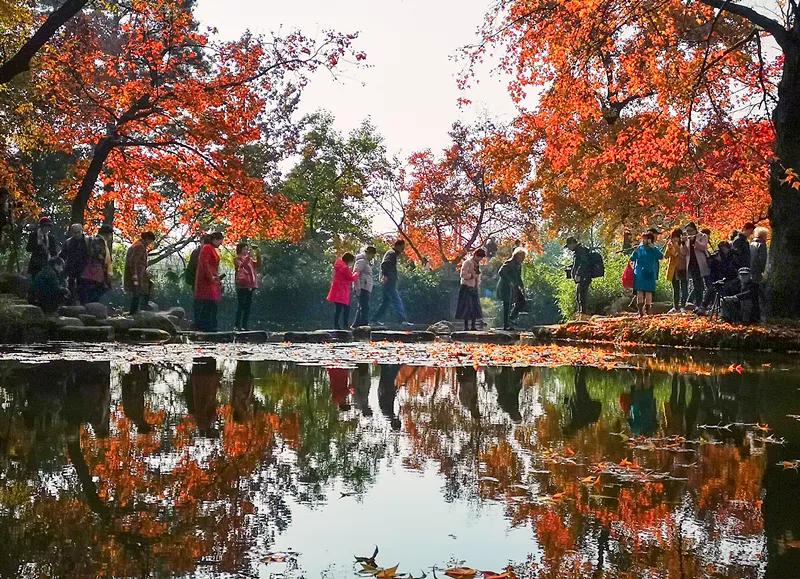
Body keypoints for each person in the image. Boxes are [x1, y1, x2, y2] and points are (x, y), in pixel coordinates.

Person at [372, 239, 412, 327]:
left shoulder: (391, 253)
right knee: (396, 299)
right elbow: (384, 264)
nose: (403, 250)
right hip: (388, 282)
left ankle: (375, 319)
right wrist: (386, 275)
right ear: (398, 245)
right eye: (402, 247)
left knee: (385, 302)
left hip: (388, 281)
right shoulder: (391, 253)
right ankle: (402, 320)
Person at [194, 231, 224, 332]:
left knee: (212, 303)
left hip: (213, 279)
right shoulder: (207, 248)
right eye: (220, 241)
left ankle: (211, 325)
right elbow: (205, 264)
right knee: (208, 303)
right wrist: (210, 277)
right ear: (215, 239)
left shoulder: (213, 249)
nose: (221, 243)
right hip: (207, 281)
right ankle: (206, 326)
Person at [630, 231, 663, 317]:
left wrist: (653, 248)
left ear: (649, 240)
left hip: (648, 272)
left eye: (645, 239)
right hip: (641, 273)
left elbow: (661, 256)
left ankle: (647, 310)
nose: (643, 240)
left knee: (648, 292)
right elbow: (632, 258)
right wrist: (635, 251)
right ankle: (641, 311)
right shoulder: (640, 248)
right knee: (641, 292)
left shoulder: (652, 249)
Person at [124, 231, 155, 315]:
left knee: (141, 290)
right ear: (147, 239)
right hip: (136, 274)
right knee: (138, 291)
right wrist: (134, 276)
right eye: (150, 241)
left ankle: (136, 310)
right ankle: (136, 310)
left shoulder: (138, 245)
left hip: (139, 273)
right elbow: (134, 262)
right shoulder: (139, 247)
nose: (150, 243)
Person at [326, 252, 360, 330]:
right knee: (346, 308)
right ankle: (344, 325)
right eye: (352, 261)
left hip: (336, 290)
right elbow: (351, 278)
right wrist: (356, 273)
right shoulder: (344, 268)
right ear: (348, 260)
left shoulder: (338, 266)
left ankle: (336, 325)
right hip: (342, 291)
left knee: (338, 309)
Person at [456, 248, 486, 331]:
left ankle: (473, 326)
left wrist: (477, 284)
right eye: (479, 257)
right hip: (466, 287)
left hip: (474, 287)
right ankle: (466, 327)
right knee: (467, 307)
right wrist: (472, 276)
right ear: (475, 255)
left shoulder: (477, 265)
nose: (480, 259)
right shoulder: (467, 262)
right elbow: (463, 274)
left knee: (475, 307)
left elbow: (478, 276)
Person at [496, 246, 526, 330]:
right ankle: (506, 325)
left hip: (514, 287)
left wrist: (522, 287)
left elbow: (518, 277)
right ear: (516, 255)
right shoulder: (509, 263)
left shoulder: (519, 265)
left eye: (524, 257)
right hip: (505, 287)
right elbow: (501, 272)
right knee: (507, 305)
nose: (523, 258)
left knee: (522, 302)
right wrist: (510, 281)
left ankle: (511, 318)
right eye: (521, 256)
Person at [234, 242, 260, 331]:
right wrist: (248, 257)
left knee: (248, 306)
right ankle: (237, 325)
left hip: (250, 285)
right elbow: (242, 266)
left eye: (247, 249)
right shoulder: (237, 259)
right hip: (241, 285)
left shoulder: (250, 260)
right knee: (241, 305)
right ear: (240, 249)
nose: (246, 250)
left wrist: (258, 254)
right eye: (244, 249)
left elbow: (257, 265)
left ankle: (245, 325)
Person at [683, 222, 710, 309]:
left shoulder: (703, 236)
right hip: (692, 264)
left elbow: (703, 247)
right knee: (697, 285)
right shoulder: (687, 239)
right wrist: (683, 244)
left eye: (690, 231)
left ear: (695, 230)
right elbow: (684, 252)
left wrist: (695, 240)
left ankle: (704, 304)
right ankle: (698, 304)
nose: (689, 233)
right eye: (687, 231)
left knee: (706, 284)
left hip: (701, 263)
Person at [60, 223, 88, 304]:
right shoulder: (68, 242)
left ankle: (84, 305)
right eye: (74, 232)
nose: (76, 234)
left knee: (83, 288)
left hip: (84, 269)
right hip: (71, 268)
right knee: (70, 287)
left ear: (82, 231)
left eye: (78, 232)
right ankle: (69, 304)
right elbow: (63, 255)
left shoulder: (87, 241)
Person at [79, 234, 111, 303]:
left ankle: (87, 305)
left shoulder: (92, 241)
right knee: (96, 291)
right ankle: (91, 306)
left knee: (88, 290)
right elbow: (101, 257)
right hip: (96, 271)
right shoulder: (100, 242)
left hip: (88, 271)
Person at [565, 236, 591, 317]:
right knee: (579, 296)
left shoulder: (581, 250)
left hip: (584, 277)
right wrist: (571, 267)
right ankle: (581, 314)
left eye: (568, 246)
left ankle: (583, 315)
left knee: (582, 297)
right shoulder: (578, 251)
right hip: (582, 278)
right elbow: (579, 263)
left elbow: (584, 263)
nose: (568, 248)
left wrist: (578, 274)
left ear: (572, 243)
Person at [352, 246, 377, 328]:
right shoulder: (361, 262)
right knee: (365, 306)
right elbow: (356, 274)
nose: (373, 257)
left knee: (361, 306)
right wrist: (357, 287)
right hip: (362, 287)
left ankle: (355, 325)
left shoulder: (367, 263)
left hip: (366, 287)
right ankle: (364, 324)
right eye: (372, 255)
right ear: (368, 253)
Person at [664, 228, 688, 313]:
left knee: (684, 287)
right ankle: (675, 306)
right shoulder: (670, 245)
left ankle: (683, 305)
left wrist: (676, 246)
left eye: (677, 237)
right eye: (673, 237)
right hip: (673, 269)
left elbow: (681, 254)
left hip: (682, 268)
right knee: (676, 288)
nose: (675, 239)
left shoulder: (684, 244)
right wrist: (669, 248)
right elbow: (666, 256)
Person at [750, 227, 768, 320]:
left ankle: (753, 314)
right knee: (761, 293)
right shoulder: (762, 245)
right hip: (758, 272)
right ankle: (762, 314)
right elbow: (763, 259)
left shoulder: (752, 243)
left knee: (753, 292)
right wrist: (763, 271)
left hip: (751, 271)